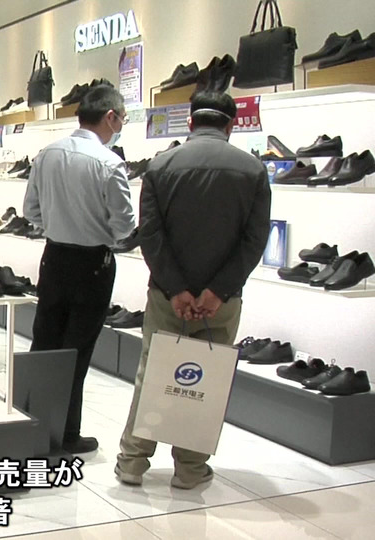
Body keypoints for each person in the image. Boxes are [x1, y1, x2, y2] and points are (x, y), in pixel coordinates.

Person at [115, 92, 271, 489]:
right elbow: (254, 240)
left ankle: (132, 462)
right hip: (222, 300)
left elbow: (150, 235)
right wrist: (217, 291)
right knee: (207, 379)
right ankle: (189, 468)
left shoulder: (161, 165)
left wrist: (175, 289)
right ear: (231, 125)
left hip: (166, 295)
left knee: (153, 372)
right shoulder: (253, 170)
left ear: (190, 122)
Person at [23, 85, 136, 455]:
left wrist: (57, 224)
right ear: (110, 117)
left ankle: (33, 423)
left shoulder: (47, 154)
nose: (120, 125)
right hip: (92, 264)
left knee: (44, 343)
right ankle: (66, 433)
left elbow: (30, 211)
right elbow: (124, 225)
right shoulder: (109, 163)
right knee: (76, 350)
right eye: (122, 118)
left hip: (54, 258)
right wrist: (103, 232)